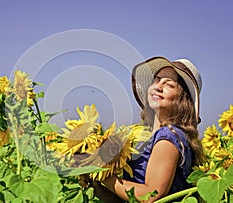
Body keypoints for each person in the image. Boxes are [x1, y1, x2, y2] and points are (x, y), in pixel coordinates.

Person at [79, 56, 205, 202]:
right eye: (157, 80)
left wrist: (102, 174)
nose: (158, 86)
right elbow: (130, 199)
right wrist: (96, 184)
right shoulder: (147, 138)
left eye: (169, 85)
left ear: (182, 99)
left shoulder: (168, 137)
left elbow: (151, 195)